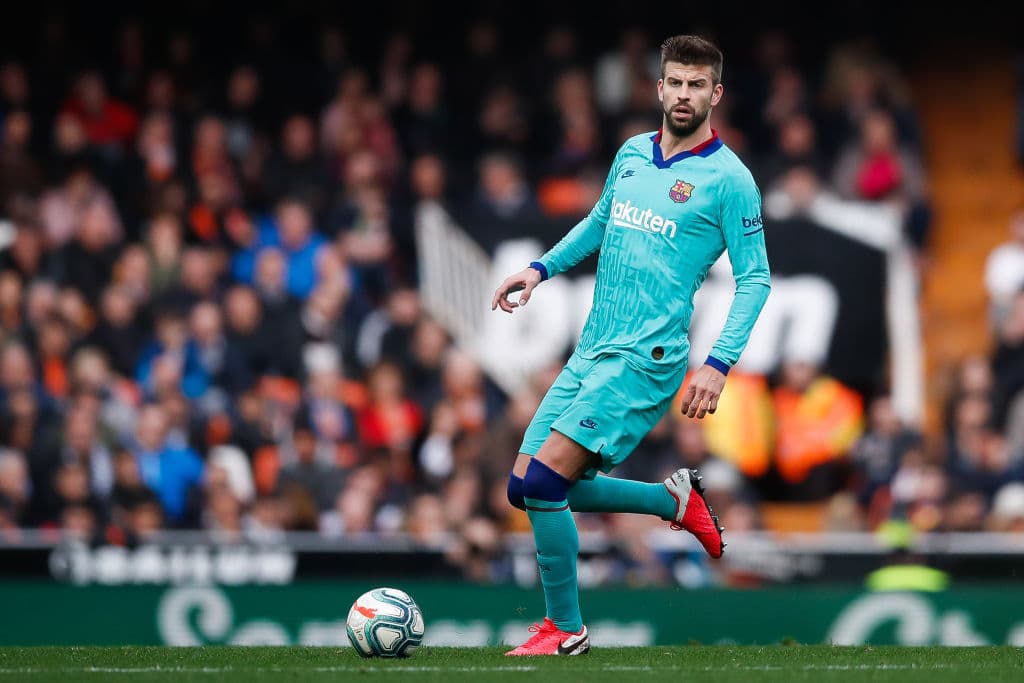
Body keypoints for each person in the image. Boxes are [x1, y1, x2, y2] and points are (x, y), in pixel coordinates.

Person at [491, 35, 771, 656]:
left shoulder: (731, 180)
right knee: (524, 488)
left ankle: (565, 629)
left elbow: (755, 279)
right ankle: (672, 500)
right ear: (659, 87)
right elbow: (599, 221)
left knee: (545, 483)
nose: (685, 94)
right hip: (592, 349)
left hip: (647, 360)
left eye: (698, 85)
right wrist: (539, 269)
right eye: (677, 82)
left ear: (716, 94)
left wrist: (718, 364)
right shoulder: (632, 154)